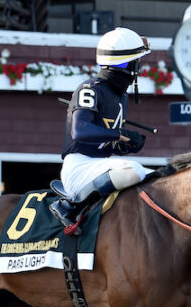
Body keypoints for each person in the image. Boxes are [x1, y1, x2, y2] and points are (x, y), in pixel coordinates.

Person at [50, 27, 153, 227]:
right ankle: (69, 206)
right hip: (79, 168)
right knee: (134, 171)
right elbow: (81, 131)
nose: (137, 68)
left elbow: (104, 143)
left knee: (155, 177)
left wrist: (126, 145)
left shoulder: (121, 97)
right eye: (136, 62)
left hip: (99, 165)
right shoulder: (90, 88)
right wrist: (120, 134)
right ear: (128, 64)